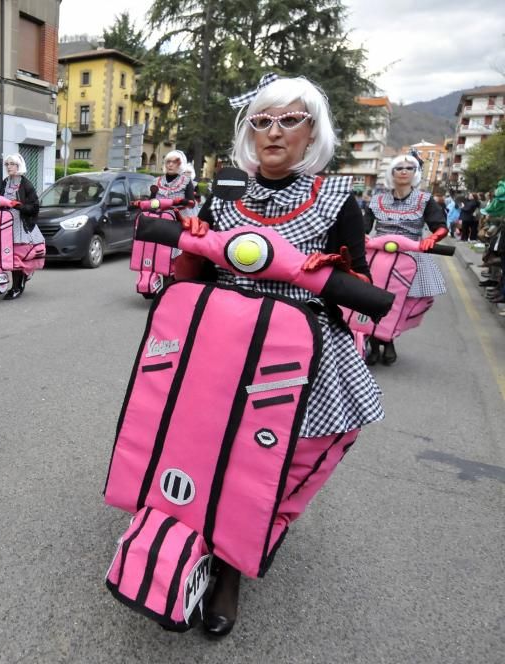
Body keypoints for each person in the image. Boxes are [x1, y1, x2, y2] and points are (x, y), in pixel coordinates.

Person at [182, 75, 384, 636]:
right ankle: (191, 525)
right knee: (203, 442)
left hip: (303, 344)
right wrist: (191, 242)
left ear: (311, 131)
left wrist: (333, 273)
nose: (274, 132)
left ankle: (233, 561)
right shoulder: (224, 194)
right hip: (225, 339)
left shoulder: (340, 198)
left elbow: (361, 282)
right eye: (263, 121)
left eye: (289, 120)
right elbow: (196, 273)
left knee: (278, 458)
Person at [363, 153, 448, 365]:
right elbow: (363, 227)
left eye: (409, 168)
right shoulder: (377, 200)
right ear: (391, 172)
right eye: (398, 167)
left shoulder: (425, 200)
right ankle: (373, 344)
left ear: (415, 173)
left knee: (402, 303)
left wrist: (433, 238)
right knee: (371, 300)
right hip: (378, 258)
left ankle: (389, 340)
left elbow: (440, 225)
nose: (403, 171)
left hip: (410, 259)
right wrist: (361, 236)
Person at [0, 153, 44, 300]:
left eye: (12, 164)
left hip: (20, 226)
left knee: (16, 256)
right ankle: (14, 277)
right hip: (4, 223)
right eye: (7, 164)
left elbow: (34, 207)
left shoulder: (26, 184)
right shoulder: (5, 182)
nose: (9, 167)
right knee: (3, 253)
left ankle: (17, 287)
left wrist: (19, 206)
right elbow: (0, 199)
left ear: (19, 165)